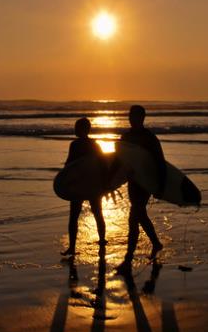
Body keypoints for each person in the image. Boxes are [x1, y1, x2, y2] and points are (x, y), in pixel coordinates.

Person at [116, 105, 167, 275]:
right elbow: (118, 162)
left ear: (142, 118)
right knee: (141, 215)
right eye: (130, 116)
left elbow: (160, 162)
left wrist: (159, 185)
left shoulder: (149, 138)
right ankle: (156, 243)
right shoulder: (126, 137)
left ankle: (128, 259)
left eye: (135, 116)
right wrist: (110, 185)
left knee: (134, 216)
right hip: (133, 182)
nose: (132, 119)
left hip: (146, 182)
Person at [61, 117, 107, 256]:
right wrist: (105, 185)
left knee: (74, 216)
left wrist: (65, 180)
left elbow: (69, 165)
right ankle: (102, 240)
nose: (75, 129)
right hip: (93, 184)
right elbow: (103, 165)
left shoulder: (74, 145)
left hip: (79, 185)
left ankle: (73, 247)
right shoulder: (95, 144)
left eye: (77, 127)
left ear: (83, 129)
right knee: (97, 213)